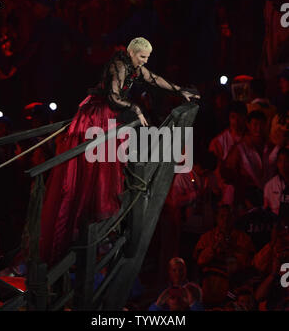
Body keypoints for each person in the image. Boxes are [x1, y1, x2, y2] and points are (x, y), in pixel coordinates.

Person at [37, 37, 200, 266]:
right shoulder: (119, 66)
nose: (144, 61)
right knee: (99, 162)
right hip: (99, 113)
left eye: (147, 58)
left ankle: (106, 218)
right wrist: (135, 108)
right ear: (132, 53)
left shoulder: (136, 67)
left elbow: (153, 79)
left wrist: (179, 90)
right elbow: (113, 97)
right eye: (142, 57)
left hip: (113, 115)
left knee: (117, 151)